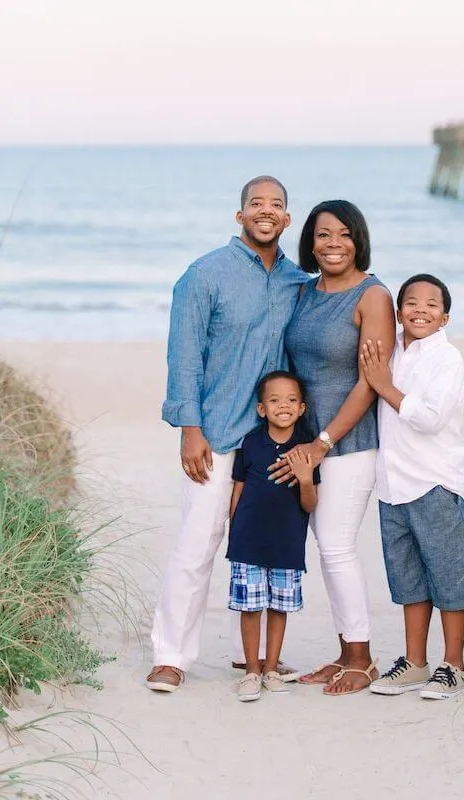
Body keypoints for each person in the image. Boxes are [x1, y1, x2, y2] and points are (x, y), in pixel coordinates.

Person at [146, 176, 309, 693]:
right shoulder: (204, 274)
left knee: (263, 548)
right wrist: (189, 428)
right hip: (215, 434)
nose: (266, 211)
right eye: (256, 204)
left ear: (287, 218)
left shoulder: (298, 283)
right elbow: (184, 356)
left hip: (272, 440)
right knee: (197, 546)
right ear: (240, 216)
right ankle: (170, 655)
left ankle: (255, 658)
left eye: (276, 205)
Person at [274, 200, 396, 696]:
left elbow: (370, 383)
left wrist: (324, 441)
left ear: (358, 239)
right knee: (327, 549)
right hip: (307, 442)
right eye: (323, 235)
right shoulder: (305, 292)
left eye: (343, 234)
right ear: (310, 242)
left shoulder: (374, 297)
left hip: (349, 442)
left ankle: (362, 657)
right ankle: (346, 651)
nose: (332, 244)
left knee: (337, 545)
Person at [360, 273, 464, 699]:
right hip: (392, 484)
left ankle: (454, 666)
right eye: (411, 302)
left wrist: (384, 387)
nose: (420, 310)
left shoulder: (447, 360)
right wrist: (381, 378)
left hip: (434, 482)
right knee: (408, 579)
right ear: (397, 312)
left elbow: (429, 418)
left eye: (431, 305)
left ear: (444, 318)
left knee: (448, 576)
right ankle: (414, 663)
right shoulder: (393, 354)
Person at [226, 371, 320, 702]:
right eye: (275, 400)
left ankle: (270, 668)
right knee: (250, 607)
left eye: (292, 400)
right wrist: (233, 529)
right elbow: (238, 488)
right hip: (247, 541)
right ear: (262, 409)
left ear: (302, 407)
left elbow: (310, 504)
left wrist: (305, 479)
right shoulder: (251, 443)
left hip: (287, 543)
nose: (284, 406)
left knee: (278, 608)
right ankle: (251, 671)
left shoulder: (307, 447)